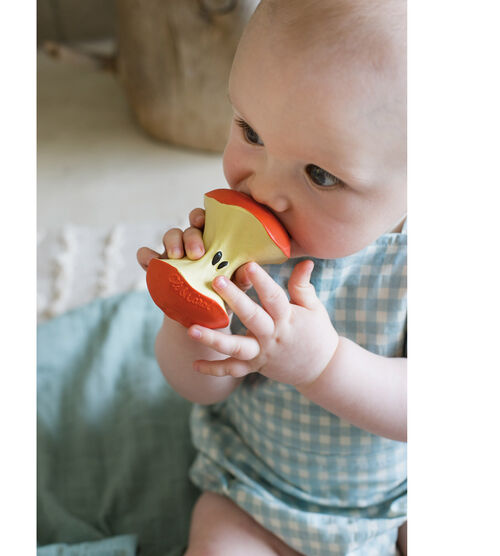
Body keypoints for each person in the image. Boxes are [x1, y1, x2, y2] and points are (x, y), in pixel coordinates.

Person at [137, 0, 407, 554]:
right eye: (251, 132)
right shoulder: (234, 251)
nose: (261, 190)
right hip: (253, 490)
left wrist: (323, 366)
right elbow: (200, 388)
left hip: (398, 497)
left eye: (320, 174)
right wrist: (190, 319)